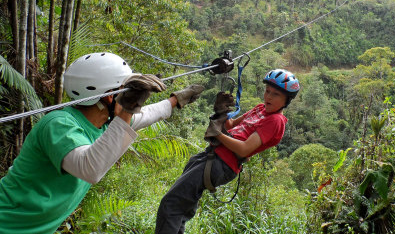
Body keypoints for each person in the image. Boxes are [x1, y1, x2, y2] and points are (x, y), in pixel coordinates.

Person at [0, 52, 204, 234]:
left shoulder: (106, 124)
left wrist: (176, 100)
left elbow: (148, 114)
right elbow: (89, 167)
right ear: (109, 97)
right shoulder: (59, 124)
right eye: (127, 91)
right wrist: (126, 111)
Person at [155, 68, 300, 234]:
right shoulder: (260, 108)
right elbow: (230, 126)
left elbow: (244, 149)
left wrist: (217, 134)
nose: (268, 97)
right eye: (267, 91)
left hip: (222, 164)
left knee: (171, 203)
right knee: (181, 206)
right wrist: (222, 113)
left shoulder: (275, 121)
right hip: (212, 155)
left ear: (286, 100)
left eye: (275, 94)